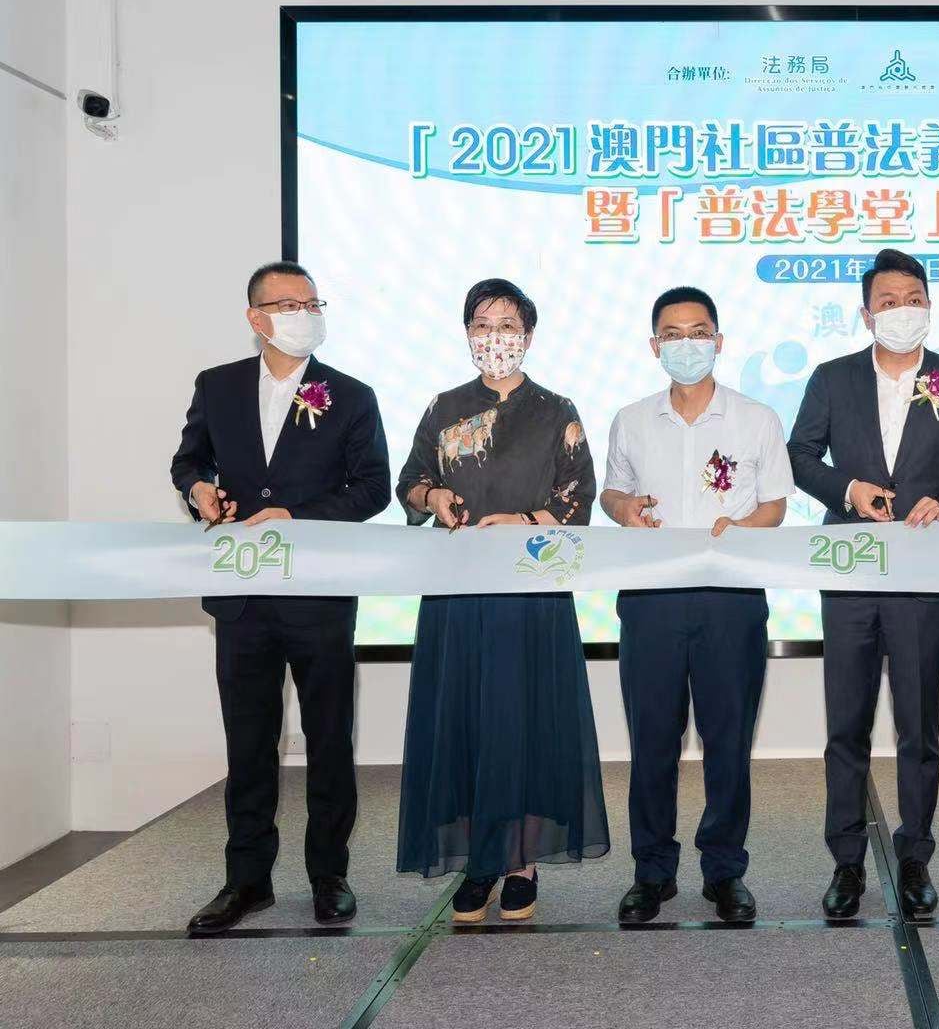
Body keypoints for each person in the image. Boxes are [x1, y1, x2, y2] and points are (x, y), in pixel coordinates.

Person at [170, 261, 390, 934]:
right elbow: (188, 460)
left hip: (318, 597)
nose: (305, 314)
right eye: (290, 304)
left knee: (329, 741)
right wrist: (198, 490)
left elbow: (372, 487)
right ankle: (246, 881)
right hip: (241, 597)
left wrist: (295, 515)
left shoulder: (350, 395)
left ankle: (329, 875)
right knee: (249, 744)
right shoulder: (218, 386)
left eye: (313, 303)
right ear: (256, 318)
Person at [394, 278, 609, 923]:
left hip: (530, 596)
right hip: (459, 596)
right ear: (467, 334)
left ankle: (521, 861)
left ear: (529, 335)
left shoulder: (556, 411)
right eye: (483, 324)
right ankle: (479, 861)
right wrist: (433, 497)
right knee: (466, 721)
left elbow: (579, 497)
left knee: (523, 723)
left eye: (508, 324)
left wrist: (525, 520)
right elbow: (410, 482)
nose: (496, 336)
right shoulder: (444, 408)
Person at [786, 249, 939, 920]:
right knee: (846, 723)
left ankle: (915, 856)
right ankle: (846, 861)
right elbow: (799, 455)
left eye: (913, 298)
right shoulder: (833, 377)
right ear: (867, 314)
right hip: (850, 569)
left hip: (924, 573)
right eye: (889, 301)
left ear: (929, 306)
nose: (903, 310)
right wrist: (848, 489)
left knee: (917, 724)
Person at [601, 286, 793, 923]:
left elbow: (775, 505)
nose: (687, 344)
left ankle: (724, 871)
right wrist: (624, 508)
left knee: (727, 740)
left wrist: (743, 527)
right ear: (654, 345)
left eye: (699, 332)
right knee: (652, 740)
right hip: (651, 597)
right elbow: (612, 493)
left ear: (719, 340)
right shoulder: (631, 419)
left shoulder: (756, 418)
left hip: (729, 598)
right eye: (673, 334)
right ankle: (651, 872)